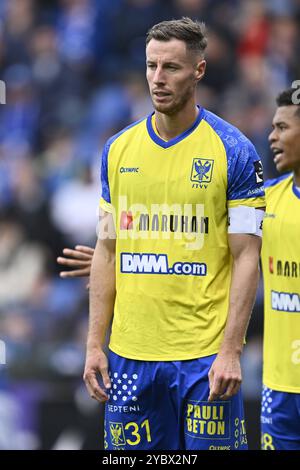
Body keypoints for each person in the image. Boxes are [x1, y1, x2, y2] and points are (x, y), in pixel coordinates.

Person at [58, 17, 265, 450]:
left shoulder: (233, 150)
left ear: (199, 70)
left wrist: (231, 350)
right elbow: (107, 251)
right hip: (130, 356)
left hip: (204, 356)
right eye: (151, 66)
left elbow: (248, 256)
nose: (157, 78)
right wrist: (95, 345)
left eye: (171, 67)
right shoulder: (118, 151)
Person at [260, 88, 300, 450]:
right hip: (280, 387)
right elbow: (202, 249)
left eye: (282, 127)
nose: (272, 136)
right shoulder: (267, 200)